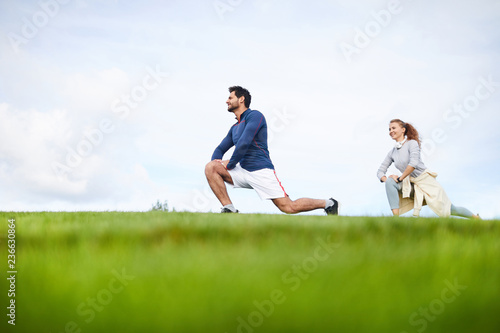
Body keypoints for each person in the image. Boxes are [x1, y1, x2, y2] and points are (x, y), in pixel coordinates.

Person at [205, 86, 339, 215]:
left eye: (230, 97)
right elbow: (220, 149)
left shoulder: (255, 116)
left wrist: (230, 163)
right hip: (242, 170)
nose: (227, 101)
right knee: (211, 167)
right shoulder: (234, 127)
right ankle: (229, 209)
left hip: (260, 170)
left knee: (288, 207)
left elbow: (244, 143)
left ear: (241, 99)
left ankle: (329, 203)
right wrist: (217, 161)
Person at [377, 119, 480, 218]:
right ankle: (396, 219)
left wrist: (400, 178)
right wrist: (389, 180)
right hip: (411, 185)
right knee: (390, 182)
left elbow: (413, 164)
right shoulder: (392, 153)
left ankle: (476, 219)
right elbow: (380, 171)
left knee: (451, 209)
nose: (391, 131)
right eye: (389, 129)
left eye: (393, 128)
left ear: (403, 130)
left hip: (425, 181)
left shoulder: (412, 143)